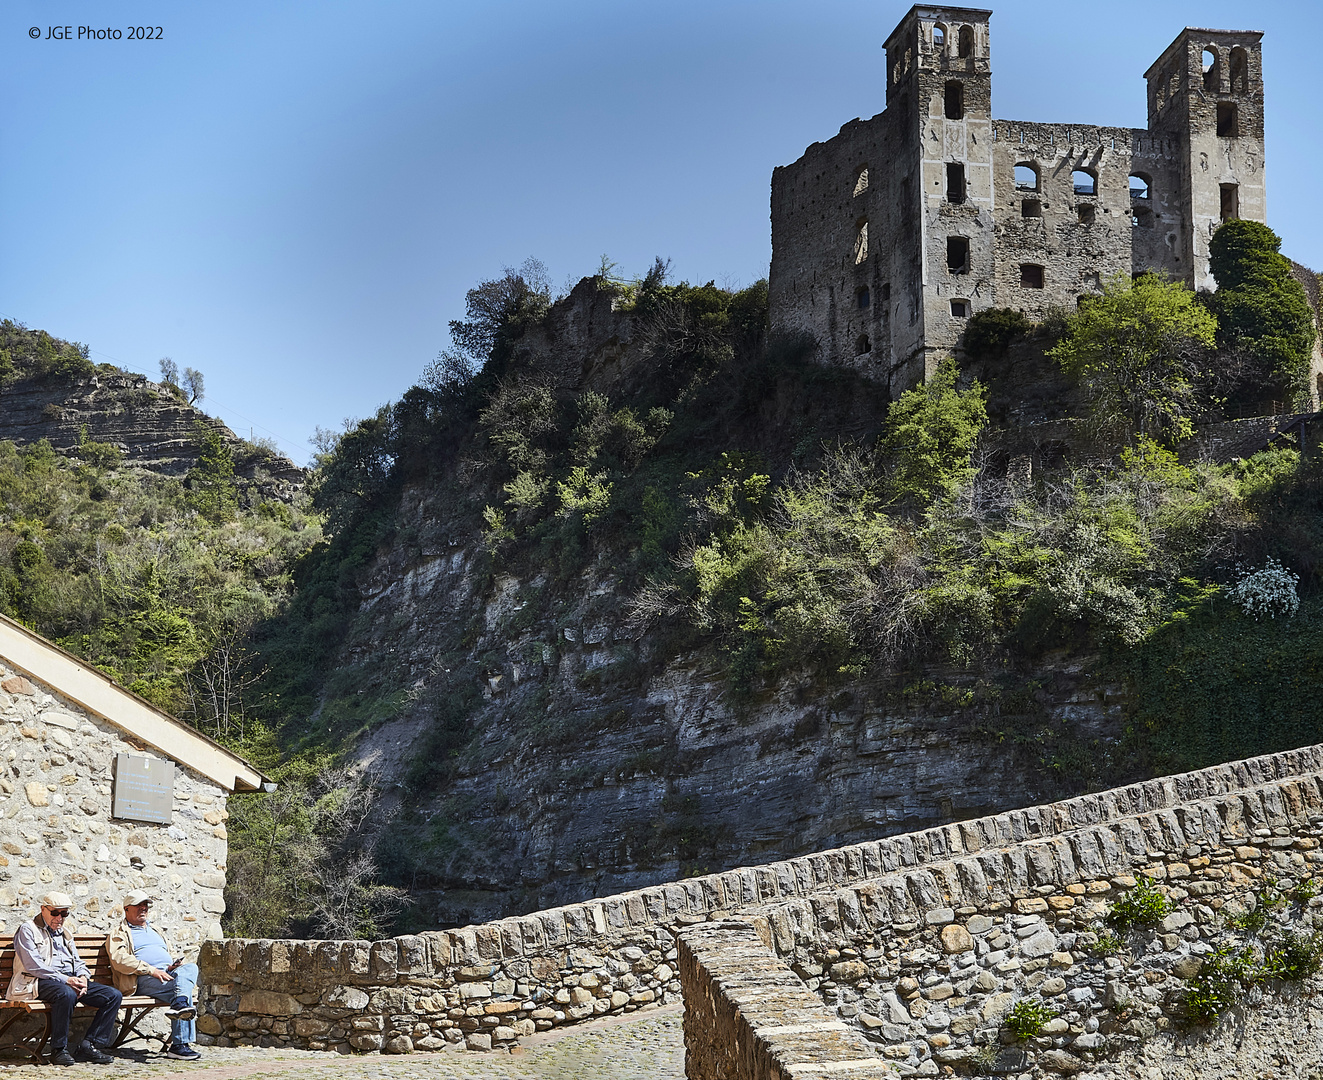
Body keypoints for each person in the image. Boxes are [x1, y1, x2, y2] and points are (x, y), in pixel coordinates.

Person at [8, 892, 122, 1066]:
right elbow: (34, 966)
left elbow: (77, 961)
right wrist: (66, 980)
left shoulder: (65, 933)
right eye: (55, 913)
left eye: (64, 914)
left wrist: (83, 977)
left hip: (69, 981)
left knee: (113, 995)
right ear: (43, 909)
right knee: (66, 994)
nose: (60, 918)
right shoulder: (28, 929)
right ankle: (59, 1049)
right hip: (37, 981)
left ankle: (88, 1045)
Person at [106, 892, 201, 1061]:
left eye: (146, 905)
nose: (143, 908)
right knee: (182, 991)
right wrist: (150, 970)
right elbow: (119, 960)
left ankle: (179, 1007)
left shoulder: (155, 930)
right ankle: (180, 1046)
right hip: (142, 979)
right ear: (126, 909)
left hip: (168, 974)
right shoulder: (119, 933)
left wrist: (173, 964)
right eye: (138, 905)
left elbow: (170, 953)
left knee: (190, 968)